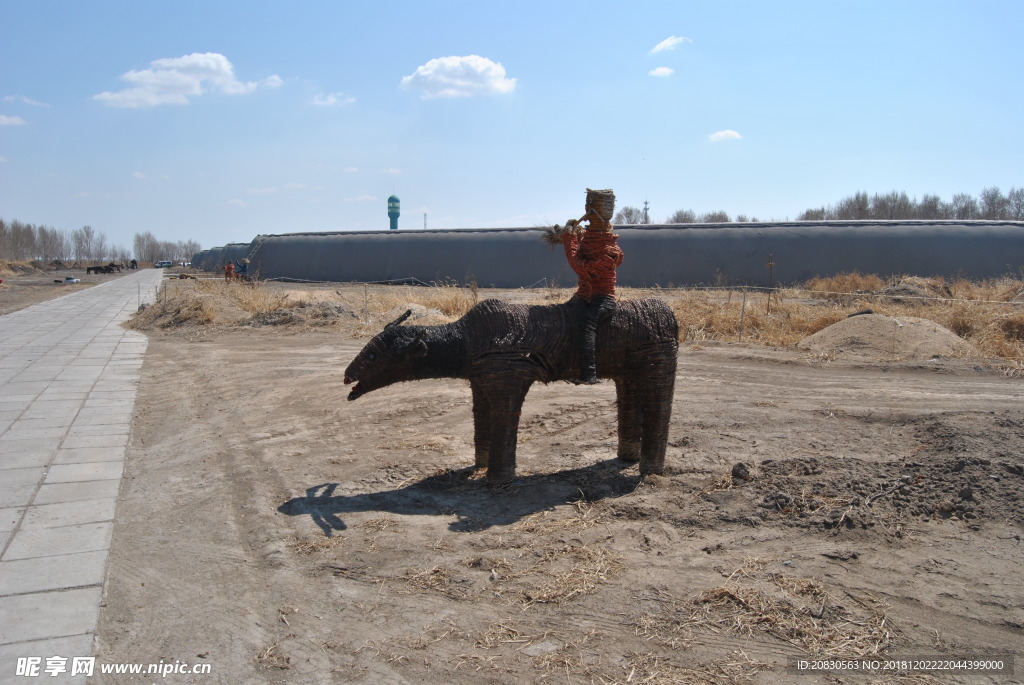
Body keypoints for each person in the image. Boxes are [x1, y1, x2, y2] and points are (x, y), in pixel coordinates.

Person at [557, 188, 623, 384]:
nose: (586, 211)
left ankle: (588, 373)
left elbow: (581, 267)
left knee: (588, 322)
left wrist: (570, 240)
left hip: (603, 299)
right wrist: (573, 235)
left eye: (590, 207)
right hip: (583, 296)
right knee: (563, 316)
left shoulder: (610, 249)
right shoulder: (588, 238)